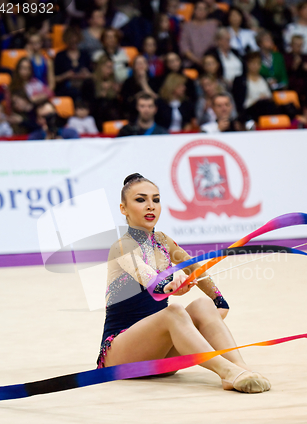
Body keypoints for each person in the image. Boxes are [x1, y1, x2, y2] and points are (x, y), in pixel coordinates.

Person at [96, 172, 271, 394]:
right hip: (120, 356)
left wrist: (218, 300)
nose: (150, 206)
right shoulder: (123, 246)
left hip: (159, 358)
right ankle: (226, 371)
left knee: (201, 305)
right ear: (124, 209)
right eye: (141, 200)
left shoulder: (162, 241)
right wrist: (169, 284)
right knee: (174, 311)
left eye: (156, 200)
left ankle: (240, 367)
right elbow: (148, 278)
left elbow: (194, 268)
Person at [232, 51, 277, 121]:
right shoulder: (240, 80)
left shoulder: (264, 79)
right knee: (261, 105)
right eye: (253, 63)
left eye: (258, 63)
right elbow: (239, 101)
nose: (255, 66)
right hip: (250, 110)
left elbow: (270, 96)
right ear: (247, 64)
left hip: (266, 107)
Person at [54, 26, 92, 101]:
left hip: (83, 87)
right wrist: (65, 76)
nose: (73, 42)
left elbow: (93, 75)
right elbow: (54, 79)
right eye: (71, 40)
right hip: (65, 87)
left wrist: (86, 75)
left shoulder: (85, 55)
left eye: (75, 40)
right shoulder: (60, 56)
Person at [179, 1, 218, 69]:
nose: (201, 11)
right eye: (199, 9)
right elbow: (184, 47)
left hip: (211, 62)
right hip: (192, 63)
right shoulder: (187, 26)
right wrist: (197, 61)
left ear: (208, 11)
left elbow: (216, 44)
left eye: (204, 9)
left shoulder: (213, 24)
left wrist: (208, 61)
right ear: (194, 10)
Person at [121, 55, 157, 120]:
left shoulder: (154, 81)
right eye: (138, 63)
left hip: (152, 115)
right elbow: (126, 102)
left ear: (147, 66)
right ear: (134, 67)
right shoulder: (128, 82)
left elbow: (156, 100)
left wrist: (143, 83)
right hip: (133, 114)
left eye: (143, 62)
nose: (141, 65)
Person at [284, 34, 307, 100]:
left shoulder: (306, 57)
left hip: (306, 88)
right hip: (291, 87)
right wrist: (295, 65)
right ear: (291, 45)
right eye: (296, 45)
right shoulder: (286, 57)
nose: (299, 47)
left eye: (300, 45)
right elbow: (286, 72)